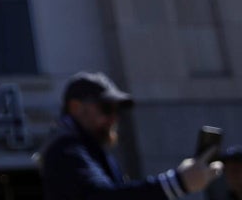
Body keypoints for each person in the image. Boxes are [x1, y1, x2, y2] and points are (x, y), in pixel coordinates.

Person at [39, 71, 221, 200]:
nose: (114, 118)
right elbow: (101, 197)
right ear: (76, 107)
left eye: (116, 110)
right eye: (106, 108)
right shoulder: (66, 149)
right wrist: (177, 183)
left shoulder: (85, 147)